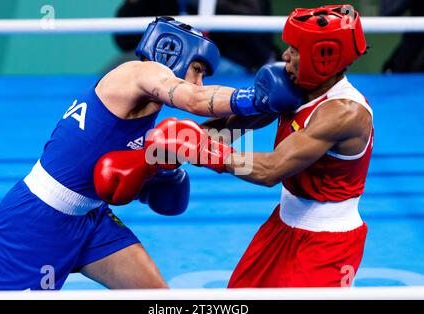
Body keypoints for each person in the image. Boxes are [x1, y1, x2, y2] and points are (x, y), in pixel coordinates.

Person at [0, 17, 300, 290]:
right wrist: (253, 97)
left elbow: (214, 131)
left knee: (157, 296)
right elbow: (194, 99)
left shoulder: (147, 113)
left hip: (92, 220)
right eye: (198, 70)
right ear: (172, 53)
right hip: (38, 220)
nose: (200, 80)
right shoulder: (135, 73)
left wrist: (269, 108)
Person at [142, 4, 373, 287]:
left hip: (328, 243)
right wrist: (163, 151)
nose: (285, 55)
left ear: (322, 57)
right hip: (282, 225)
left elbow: (270, 170)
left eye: (295, 50)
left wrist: (202, 150)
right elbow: (233, 128)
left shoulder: (344, 113)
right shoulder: (295, 86)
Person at [113, 0, 280, 74]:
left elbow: (250, 21)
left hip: (237, 62)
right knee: (123, 68)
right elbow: (124, 41)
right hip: (172, 66)